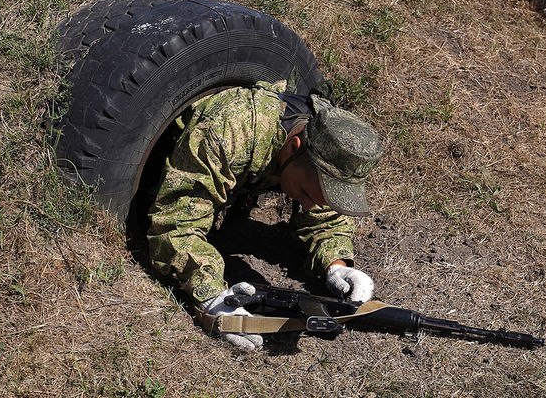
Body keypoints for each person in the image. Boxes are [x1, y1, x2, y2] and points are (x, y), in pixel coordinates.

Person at [146, 79, 384, 351]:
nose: (307, 206)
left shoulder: (321, 154)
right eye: (306, 193)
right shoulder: (227, 131)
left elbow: (324, 216)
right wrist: (212, 296)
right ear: (294, 147)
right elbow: (175, 223)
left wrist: (338, 266)